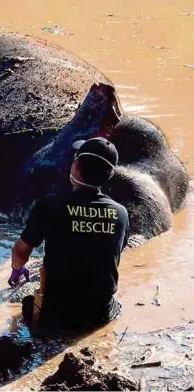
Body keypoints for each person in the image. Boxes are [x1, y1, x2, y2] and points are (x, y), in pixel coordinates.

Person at [8, 137, 129, 330]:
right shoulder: (121, 213)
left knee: (24, 310)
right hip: (100, 315)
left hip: (55, 315)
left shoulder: (48, 205)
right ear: (110, 175)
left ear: (76, 166)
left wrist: (16, 269)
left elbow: (22, 250)